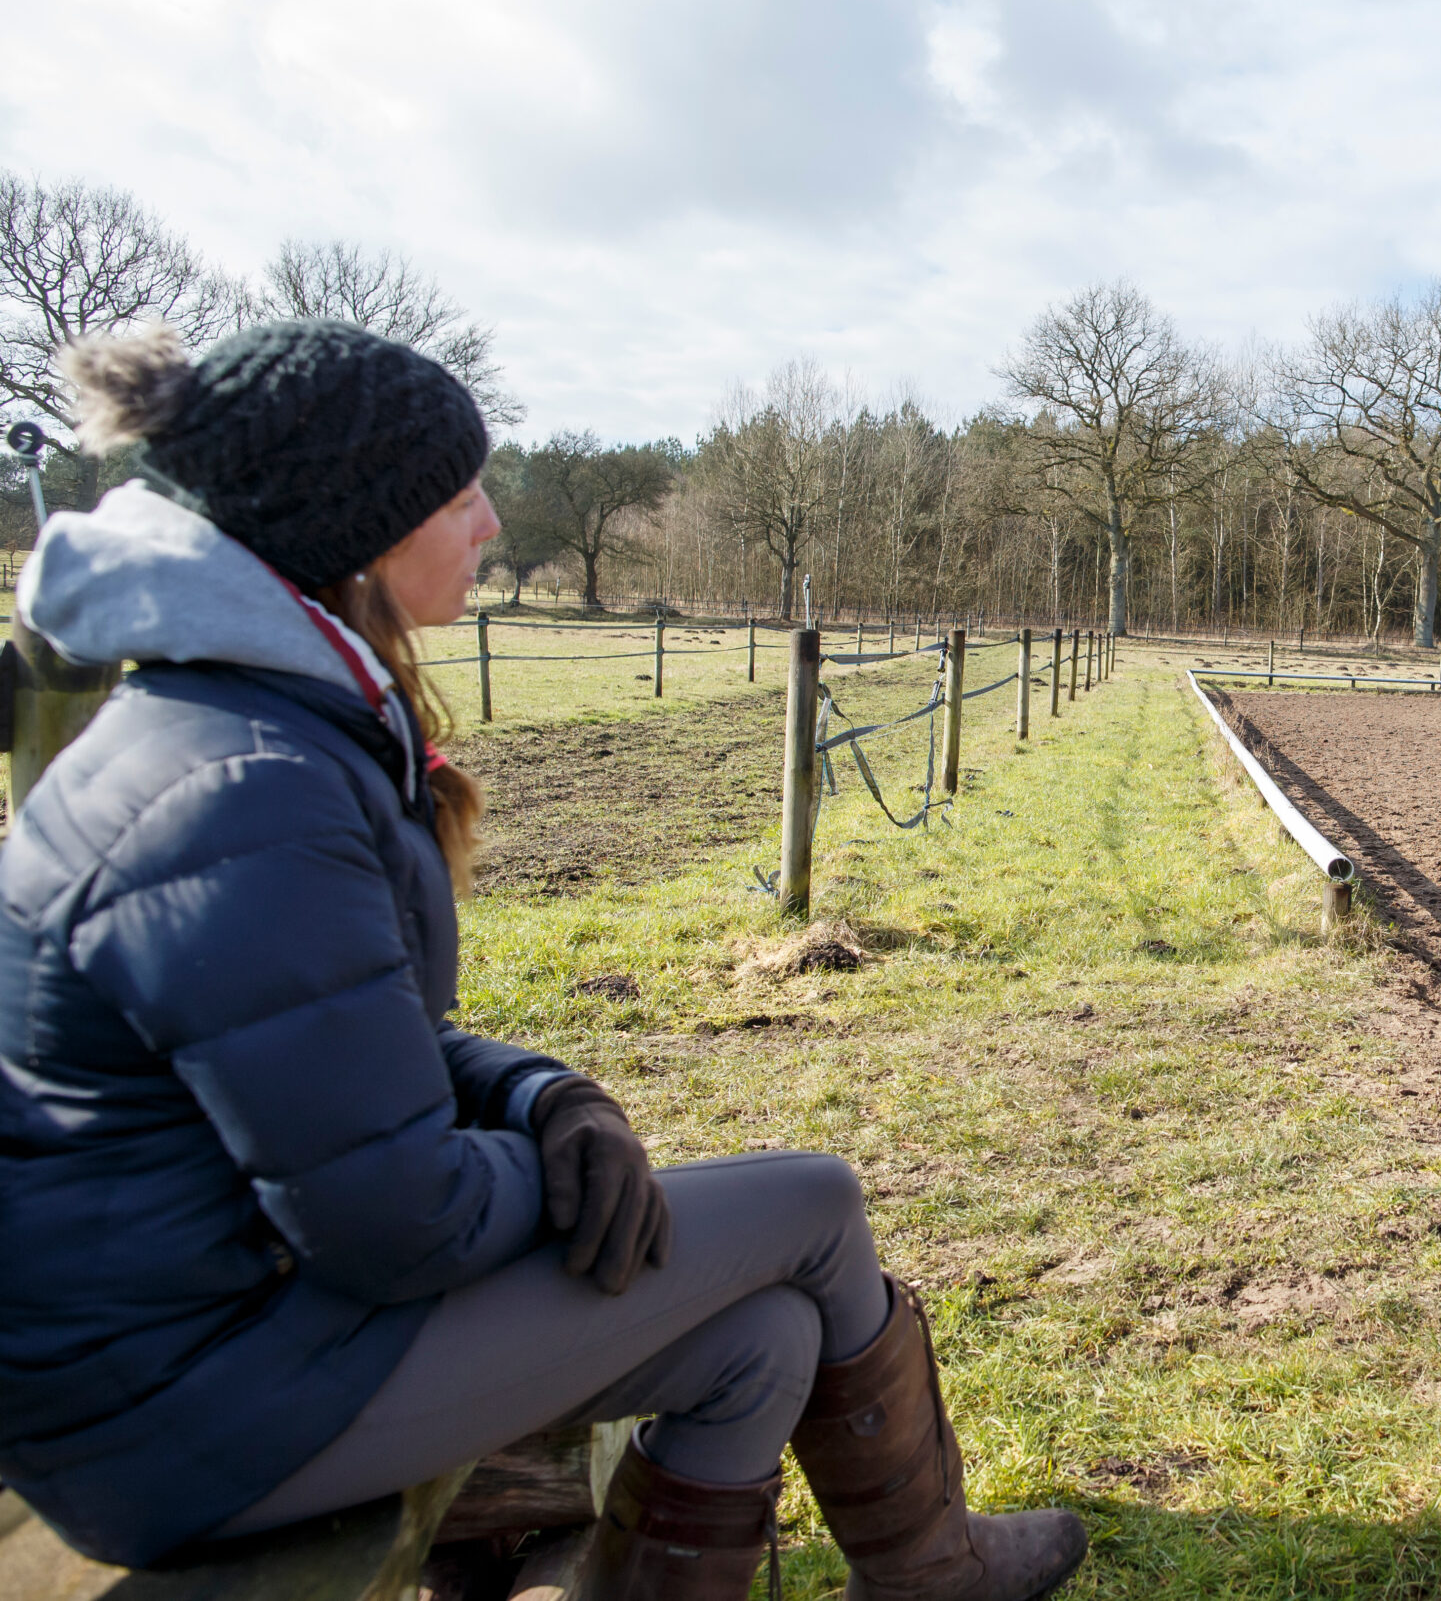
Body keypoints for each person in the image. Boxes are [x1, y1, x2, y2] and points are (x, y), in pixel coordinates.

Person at [0, 320, 1087, 1601]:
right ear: (361, 527)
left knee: (764, 1334)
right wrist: (557, 1173)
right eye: (461, 494)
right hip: (178, 1410)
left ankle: (920, 1571)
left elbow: (330, 1038)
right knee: (813, 1203)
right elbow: (396, 1223)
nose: (495, 522)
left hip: (221, 1343)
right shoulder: (244, 792)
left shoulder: (244, 728)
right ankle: (933, 1572)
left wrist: (537, 1094)